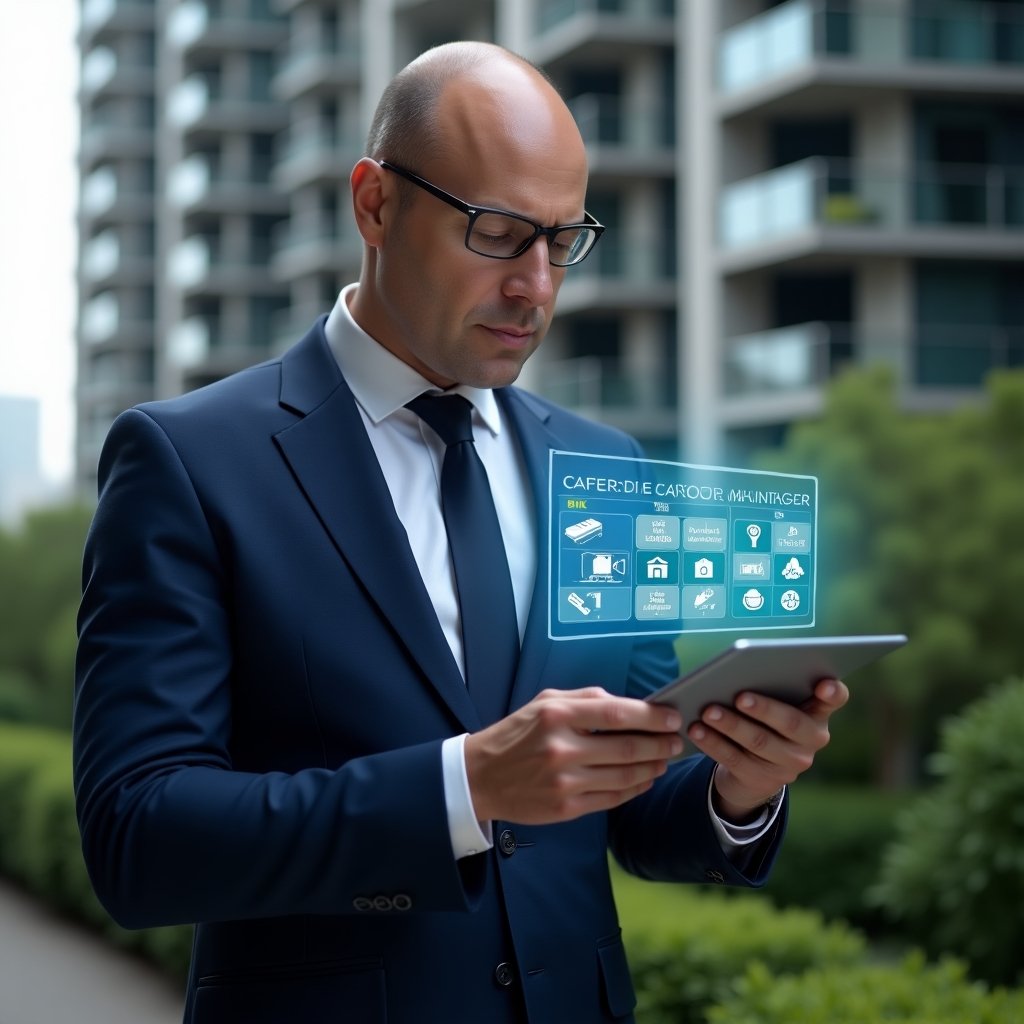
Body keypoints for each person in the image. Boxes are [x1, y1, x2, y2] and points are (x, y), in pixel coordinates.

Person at [73, 41, 848, 1024]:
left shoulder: (603, 465)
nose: (536, 286)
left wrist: (738, 785)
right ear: (374, 205)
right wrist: (464, 785)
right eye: (498, 231)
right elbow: (140, 839)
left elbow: (631, 800)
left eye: (562, 240)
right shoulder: (188, 461)